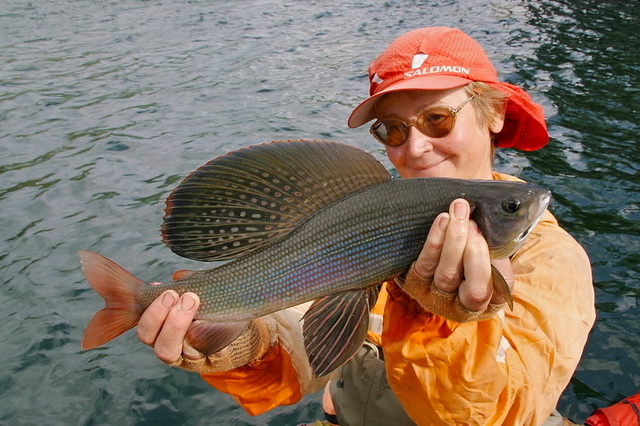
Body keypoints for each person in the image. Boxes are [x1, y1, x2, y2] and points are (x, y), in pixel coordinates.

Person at [136, 27, 596, 425]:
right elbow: (297, 359)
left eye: (437, 120)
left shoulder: (552, 260)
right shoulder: (359, 224)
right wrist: (233, 340)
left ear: (494, 113)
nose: (414, 149)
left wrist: (437, 319)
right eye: (392, 130)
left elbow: (504, 413)